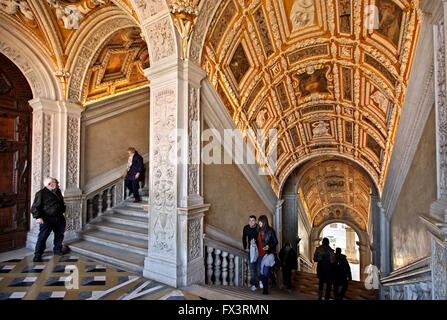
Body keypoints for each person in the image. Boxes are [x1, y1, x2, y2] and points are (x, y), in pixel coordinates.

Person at [31, 177, 67, 262]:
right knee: (43, 237)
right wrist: (38, 217)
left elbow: (61, 201)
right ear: (49, 184)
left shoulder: (57, 191)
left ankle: (57, 250)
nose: (58, 183)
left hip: (59, 217)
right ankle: (38, 254)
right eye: (56, 182)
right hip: (47, 219)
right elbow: (35, 207)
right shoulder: (41, 193)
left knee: (59, 234)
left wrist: (63, 208)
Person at [257, 215, 278, 295]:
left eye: (261, 221)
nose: (259, 223)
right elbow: (257, 241)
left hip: (267, 254)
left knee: (265, 272)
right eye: (259, 221)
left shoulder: (270, 230)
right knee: (261, 273)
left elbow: (276, 242)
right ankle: (273, 278)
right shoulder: (258, 230)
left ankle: (265, 290)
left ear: (264, 222)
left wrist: (269, 246)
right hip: (259, 255)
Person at [242, 215, 259, 291]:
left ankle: (259, 282)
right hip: (251, 251)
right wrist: (246, 247)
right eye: (250, 220)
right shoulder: (246, 228)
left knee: (258, 268)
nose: (251, 222)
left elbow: (263, 237)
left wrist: (256, 241)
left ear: (255, 221)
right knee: (252, 268)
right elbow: (244, 238)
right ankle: (254, 284)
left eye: (252, 220)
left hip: (259, 250)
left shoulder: (259, 227)